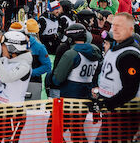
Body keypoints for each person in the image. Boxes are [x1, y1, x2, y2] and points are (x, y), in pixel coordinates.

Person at [46, 24, 102, 143]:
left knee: (53, 131)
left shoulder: (72, 54)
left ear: (71, 38)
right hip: (85, 98)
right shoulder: (95, 53)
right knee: (77, 132)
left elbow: (58, 79)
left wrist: (50, 76)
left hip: (68, 100)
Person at [94, 12, 140, 142]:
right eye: (114, 25)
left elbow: (130, 90)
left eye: (120, 26)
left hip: (123, 116)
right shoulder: (116, 50)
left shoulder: (129, 54)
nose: (115, 29)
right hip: (114, 113)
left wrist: (107, 104)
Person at [0, 30, 32, 143]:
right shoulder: (8, 60)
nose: (1, 48)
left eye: (3, 46)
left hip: (13, 112)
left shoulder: (24, 65)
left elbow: (6, 78)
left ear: (12, 48)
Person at [25, 19, 51, 100]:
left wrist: (30, 73)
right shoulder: (40, 46)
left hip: (33, 82)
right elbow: (47, 66)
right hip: (23, 81)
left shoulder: (39, 47)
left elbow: (47, 66)